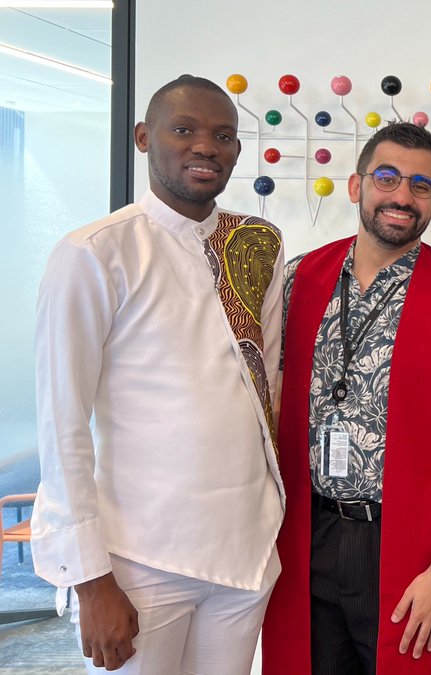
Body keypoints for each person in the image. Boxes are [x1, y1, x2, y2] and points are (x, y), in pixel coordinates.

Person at [31, 74, 285, 673]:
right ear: (145, 138)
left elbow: (265, 387)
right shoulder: (95, 252)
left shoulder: (257, 243)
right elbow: (61, 422)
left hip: (246, 550)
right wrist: (91, 579)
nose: (205, 146)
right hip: (140, 557)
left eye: (223, 135)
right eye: (184, 129)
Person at [262, 120, 431, 675]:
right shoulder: (301, 279)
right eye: (387, 178)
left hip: (402, 545)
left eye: (420, 186)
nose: (401, 196)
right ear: (356, 186)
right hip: (306, 532)